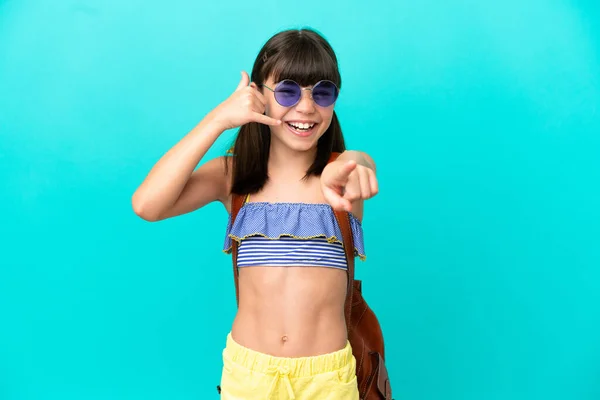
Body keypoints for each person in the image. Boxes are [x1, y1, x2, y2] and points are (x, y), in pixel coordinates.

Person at [132, 27, 379, 400]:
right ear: (259, 96)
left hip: (327, 378)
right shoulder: (233, 177)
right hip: (249, 375)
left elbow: (361, 162)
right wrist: (218, 119)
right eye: (287, 91)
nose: (307, 107)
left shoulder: (342, 176)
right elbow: (147, 204)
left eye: (322, 92)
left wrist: (351, 164)